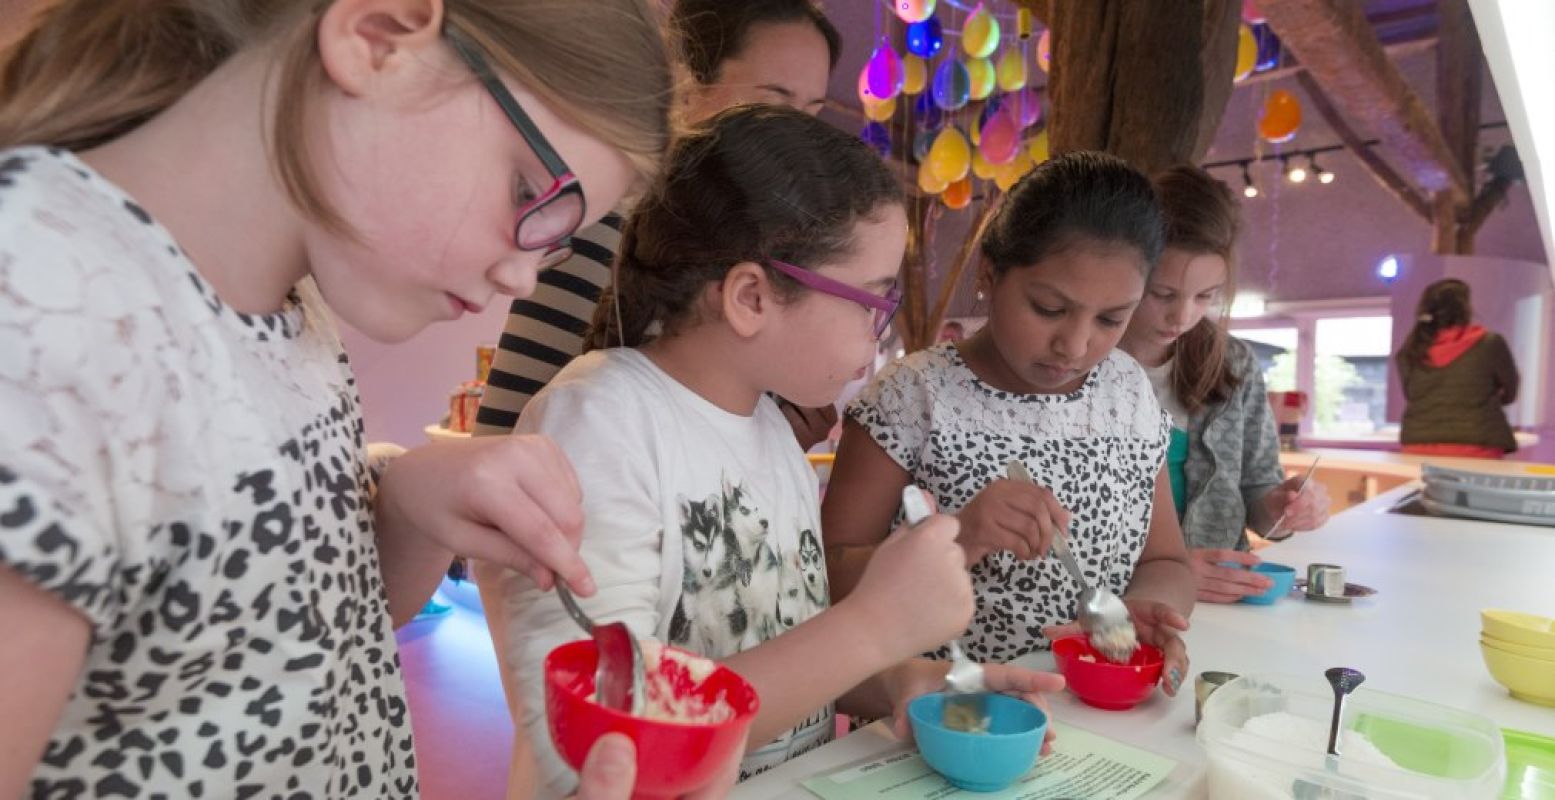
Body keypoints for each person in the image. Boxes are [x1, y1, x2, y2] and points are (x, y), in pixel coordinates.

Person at [0, 0, 714, 796]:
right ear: (377, 37)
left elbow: (298, 644)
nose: (522, 276)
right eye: (528, 193)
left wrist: (403, 510)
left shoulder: (289, 299)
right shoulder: (39, 320)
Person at [475, 106, 1065, 798]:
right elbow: (608, 735)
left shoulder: (766, 432)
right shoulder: (600, 421)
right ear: (751, 296)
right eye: (872, 303)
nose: (879, 332)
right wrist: (873, 626)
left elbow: (781, 652)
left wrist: (891, 678)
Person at [822, 152, 1196, 694]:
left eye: (1112, 319)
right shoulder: (913, 397)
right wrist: (959, 537)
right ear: (990, 277)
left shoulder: (1128, 393)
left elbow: (1167, 559)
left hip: (1090, 712)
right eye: (1048, 308)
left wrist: (1146, 610)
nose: (1075, 343)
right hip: (941, 718)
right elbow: (824, 579)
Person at [473, 0, 845, 450]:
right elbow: (513, 429)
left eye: (813, 112)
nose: (799, 138)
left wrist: (771, 436)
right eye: (772, 104)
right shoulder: (604, 222)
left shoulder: (754, 252)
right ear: (687, 89)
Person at [1117, 165, 1330, 604]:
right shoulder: (1084, 362)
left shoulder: (1234, 363)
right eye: (1163, 294)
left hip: (1230, 601)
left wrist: (1284, 508)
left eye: (1205, 297)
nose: (1182, 317)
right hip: (1130, 607)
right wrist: (1166, 573)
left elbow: (1259, 497)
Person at [1395, 278, 1520, 458]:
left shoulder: (1410, 351)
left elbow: (1412, 394)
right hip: (1478, 446)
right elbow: (1510, 391)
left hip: (1418, 447)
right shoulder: (1489, 344)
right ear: (1465, 308)